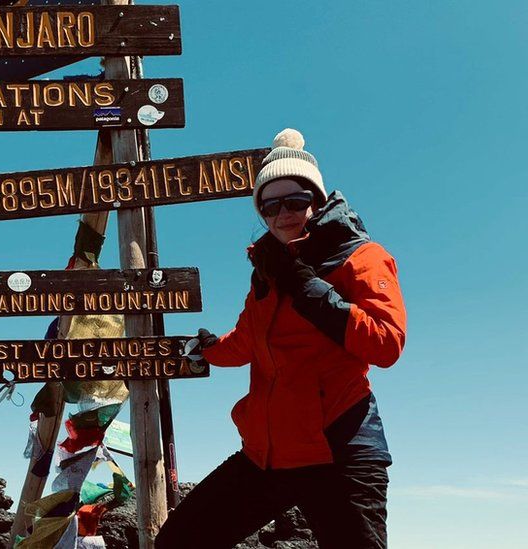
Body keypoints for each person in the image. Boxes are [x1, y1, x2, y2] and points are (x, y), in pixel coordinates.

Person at [156, 129, 406, 549]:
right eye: (270, 205)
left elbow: (386, 343)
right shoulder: (269, 270)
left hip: (340, 452)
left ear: (317, 201)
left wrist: (308, 288)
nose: (283, 213)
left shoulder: (359, 256)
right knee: (178, 540)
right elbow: (249, 340)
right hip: (268, 455)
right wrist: (210, 348)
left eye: (296, 200)